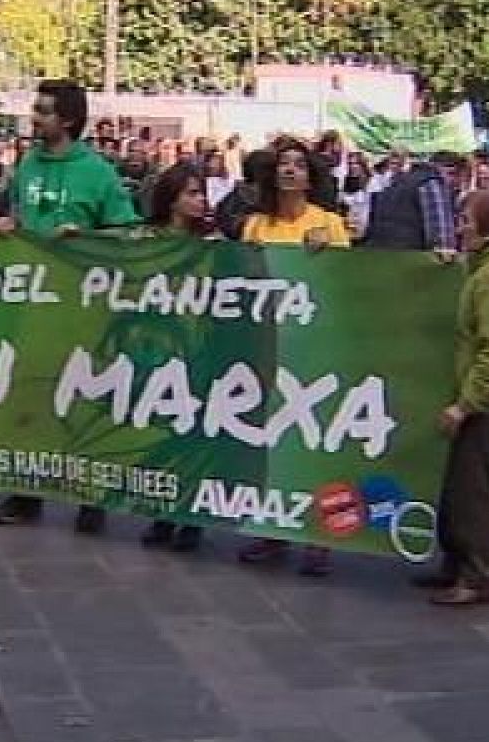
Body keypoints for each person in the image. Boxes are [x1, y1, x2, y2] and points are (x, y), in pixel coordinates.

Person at [0, 79, 142, 532]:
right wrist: (5, 225)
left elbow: (128, 232)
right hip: (30, 303)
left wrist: (85, 237)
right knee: (29, 397)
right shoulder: (26, 165)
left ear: (69, 119)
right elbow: (17, 217)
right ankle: (26, 493)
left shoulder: (98, 172)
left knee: (84, 397)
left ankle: (91, 496)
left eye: (44, 110)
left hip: (84, 307)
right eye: (35, 109)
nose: (34, 118)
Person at [235, 136, 349, 578]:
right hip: (266, 343)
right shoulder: (255, 225)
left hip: (313, 346)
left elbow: (349, 281)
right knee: (270, 439)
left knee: (315, 439)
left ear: (310, 177)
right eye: (283, 163)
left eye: (299, 165)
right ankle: (273, 527)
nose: (290, 170)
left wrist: (324, 254)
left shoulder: (329, 224)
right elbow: (242, 277)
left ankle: (320, 535)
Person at [414, 189, 489, 605]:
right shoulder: (485, 268)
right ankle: (456, 563)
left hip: (484, 403)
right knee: (456, 486)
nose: (460, 227)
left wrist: (466, 404)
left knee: (471, 491)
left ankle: (478, 574)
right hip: (477, 395)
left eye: (466, 220)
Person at [137, 162, 212, 553]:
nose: (200, 201)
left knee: (194, 433)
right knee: (163, 431)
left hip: (199, 348)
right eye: (191, 193)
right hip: (156, 349)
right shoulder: (143, 239)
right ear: (171, 198)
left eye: (202, 193)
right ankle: (163, 511)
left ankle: (192, 517)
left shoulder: (213, 241)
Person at [365, 147, 458, 256]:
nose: (454, 180)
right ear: (440, 168)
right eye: (451, 173)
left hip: (382, 256)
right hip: (412, 259)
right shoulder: (431, 182)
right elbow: (443, 241)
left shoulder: (394, 184)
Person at [340, 152, 373, 241]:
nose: (353, 166)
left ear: (362, 165)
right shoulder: (346, 180)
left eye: (356, 163)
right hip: (348, 224)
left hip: (363, 226)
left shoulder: (370, 181)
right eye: (350, 163)